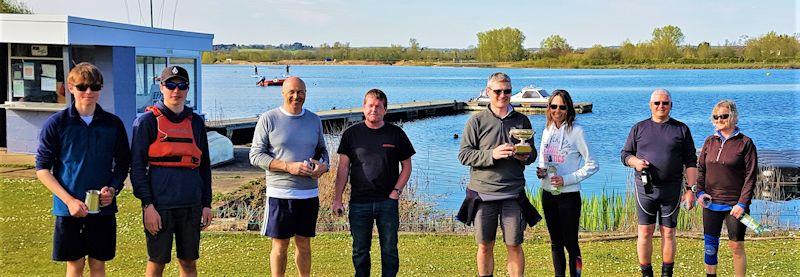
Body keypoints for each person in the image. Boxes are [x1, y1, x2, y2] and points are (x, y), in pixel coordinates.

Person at [35, 62, 130, 277]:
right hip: (69, 209)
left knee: (98, 264)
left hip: (103, 209)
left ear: (100, 89)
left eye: (95, 87)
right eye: (82, 87)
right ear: (70, 87)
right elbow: (42, 169)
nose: (89, 92)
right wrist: (69, 201)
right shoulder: (56, 123)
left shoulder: (113, 124)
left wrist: (113, 189)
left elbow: (123, 163)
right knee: (74, 265)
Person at [130, 66, 213, 277]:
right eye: (171, 85)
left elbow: (204, 166)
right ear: (161, 87)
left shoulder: (196, 122)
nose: (176, 91)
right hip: (159, 206)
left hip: (191, 205)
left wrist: (206, 204)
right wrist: (147, 205)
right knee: (157, 263)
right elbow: (137, 168)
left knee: (188, 262)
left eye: (182, 86)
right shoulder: (146, 122)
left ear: (187, 89)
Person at [456, 72, 541, 277]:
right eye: (498, 91)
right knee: (485, 245)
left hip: (513, 193)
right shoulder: (476, 121)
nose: (503, 95)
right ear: (488, 92)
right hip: (483, 194)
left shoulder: (522, 121)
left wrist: (525, 156)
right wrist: (491, 154)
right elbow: (464, 155)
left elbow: (532, 154)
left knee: (514, 245)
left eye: (507, 91)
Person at [249, 76, 330, 277]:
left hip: (308, 194)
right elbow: (255, 155)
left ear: (306, 94)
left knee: (304, 243)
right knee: (280, 244)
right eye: (292, 92)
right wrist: (288, 167)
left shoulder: (314, 119)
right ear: (283, 93)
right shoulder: (268, 118)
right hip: (280, 194)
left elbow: (323, 151)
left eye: (300, 92)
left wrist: (323, 166)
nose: (296, 96)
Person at [332, 89, 415, 277]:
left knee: (389, 251)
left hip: (387, 202)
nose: (374, 110)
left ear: (385, 110)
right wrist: (337, 199)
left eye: (378, 106)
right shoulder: (351, 134)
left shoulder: (396, 134)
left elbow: (407, 166)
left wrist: (396, 192)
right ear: (363, 107)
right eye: (370, 105)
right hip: (359, 203)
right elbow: (343, 168)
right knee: (360, 252)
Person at [621, 89, 698, 277]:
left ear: (671, 105)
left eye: (665, 103)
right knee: (645, 233)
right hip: (645, 189)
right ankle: (646, 273)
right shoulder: (639, 128)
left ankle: (666, 274)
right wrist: (636, 162)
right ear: (650, 105)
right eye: (657, 103)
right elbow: (625, 155)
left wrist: (690, 190)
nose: (661, 106)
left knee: (669, 233)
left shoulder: (681, 129)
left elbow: (690, 161)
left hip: (672, 190)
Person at [536, 89, 598, 277]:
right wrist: (541, 171)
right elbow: (542, 159)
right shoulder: (547, 130)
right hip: (548, 194)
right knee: (555, 243)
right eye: (553, 106)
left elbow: (593, 165)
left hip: (569, 196)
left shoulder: (577, 131)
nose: (557, 110)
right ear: (549, 108)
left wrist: (567, 179)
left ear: (569, 108)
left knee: (571, 243)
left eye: (562, 107)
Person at [695, 100, 757, 277]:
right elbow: (701, 169)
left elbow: (750, 177)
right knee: (710, 247)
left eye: (724, 116)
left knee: (736, 246)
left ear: (734, 117)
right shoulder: (710, 141)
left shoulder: (745, 143)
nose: (720, 119)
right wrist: (699, 193)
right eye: (716, 116)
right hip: (710, 204)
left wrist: (742, 204)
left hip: (734, 206)